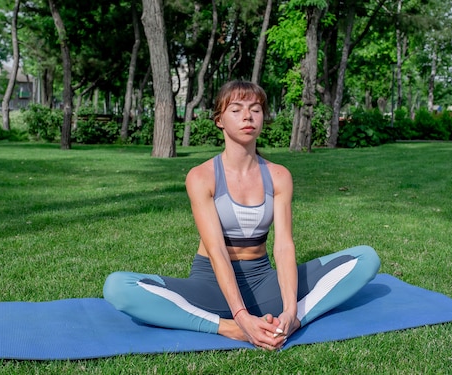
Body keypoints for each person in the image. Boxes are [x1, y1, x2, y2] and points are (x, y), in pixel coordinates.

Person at [103, 80, 380, 351]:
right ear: (219, 120)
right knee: (117, 286)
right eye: (236, 109)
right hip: (212, 286)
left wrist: (289, 309)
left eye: (255, 109)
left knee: (366, 258)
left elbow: (283, 247)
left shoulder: (279, 176)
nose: (247, 116)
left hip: (262, 282)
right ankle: (225, 327)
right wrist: (240, 318)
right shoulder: (201, 177)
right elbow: (216, 251)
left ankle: (289, 324)